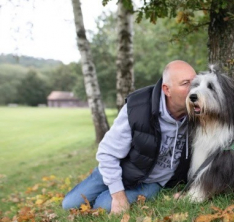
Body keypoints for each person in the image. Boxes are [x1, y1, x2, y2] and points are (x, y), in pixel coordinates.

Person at [62, 60, 197, 214]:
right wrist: (118, 195)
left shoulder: (201, 111)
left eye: (196, 82)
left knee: (103, 205)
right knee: (70, 204)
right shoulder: (138, 108)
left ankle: (112, 195)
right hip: (122, 167)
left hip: (152, 180)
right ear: (167, 89)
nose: (195, 89)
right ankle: (108, 183)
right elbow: (107, 152)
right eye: (186, 83)